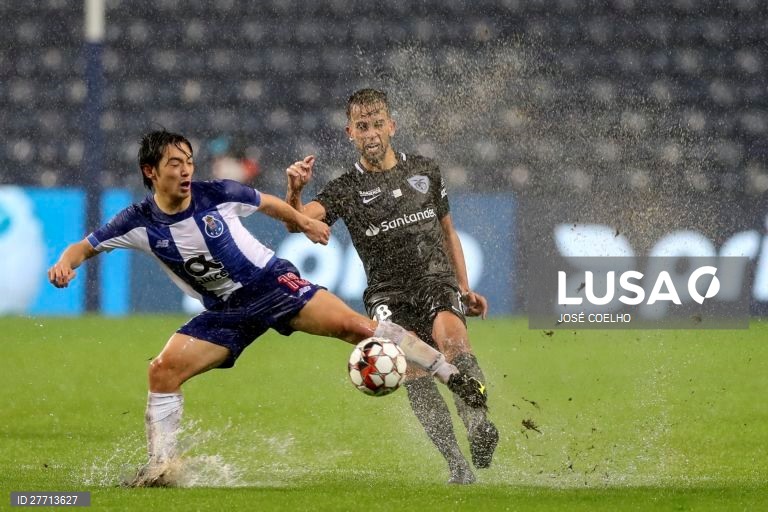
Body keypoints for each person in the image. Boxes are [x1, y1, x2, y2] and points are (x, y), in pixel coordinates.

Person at [47, 129, 488, 487]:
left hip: (273, 285)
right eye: (174, 165)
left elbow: (269, 204)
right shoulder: (137, 221)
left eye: (188, 162)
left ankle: (454, 377)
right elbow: (84, 247)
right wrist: (64, 266)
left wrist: (304, 221)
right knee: (162, 370)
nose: (185, 172)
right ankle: (162, 467)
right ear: (151, 171)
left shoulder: (215, 193)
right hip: (225, 312)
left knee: (358, 327)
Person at [284, 89, 499, 484]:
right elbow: (297, 220)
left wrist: (464, 287)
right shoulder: (346, 188)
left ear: (392, 126)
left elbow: (447, 230)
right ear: (350, 132)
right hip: (386, 293)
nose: (371, 133)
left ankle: (478, 426)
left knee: (452, 340)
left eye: (378, 123)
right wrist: (295, 191)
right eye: (362, 126)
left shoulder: (425, 170)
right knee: (414, 369)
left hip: (434, 278)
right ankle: (456, 465)